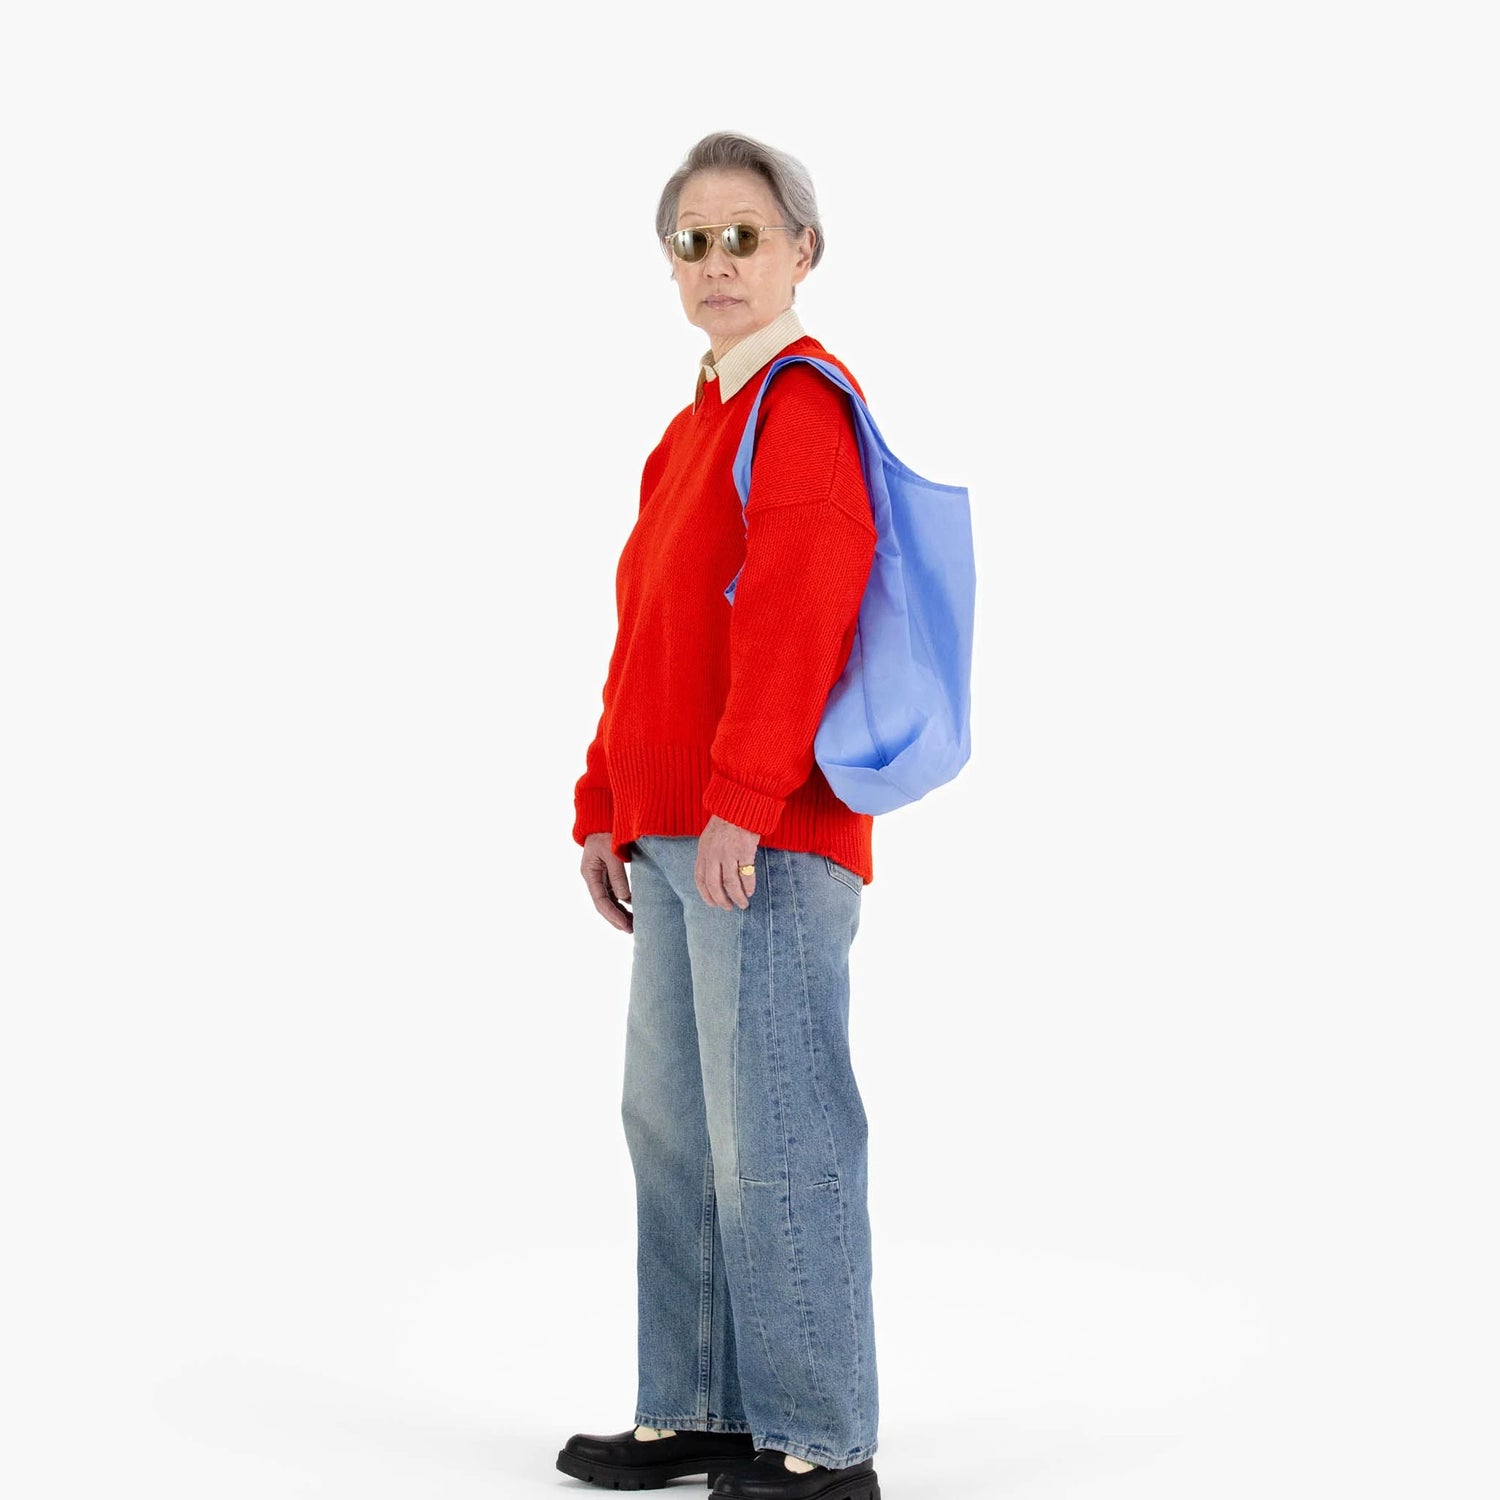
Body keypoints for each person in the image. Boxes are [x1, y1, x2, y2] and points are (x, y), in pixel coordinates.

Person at [557, 131, 882, 1500]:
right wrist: (602, 804)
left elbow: (804, 617)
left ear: (803, 250)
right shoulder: (692, 433)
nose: (718, 261)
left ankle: (820, 1444)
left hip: (766, 838)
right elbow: (651, 643)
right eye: (693, 239)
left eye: (745, 234)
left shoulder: (799, 407)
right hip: (675, 834)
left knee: (781, 1136)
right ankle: (693, 1406)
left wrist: (746, 797)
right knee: (679, 1129)